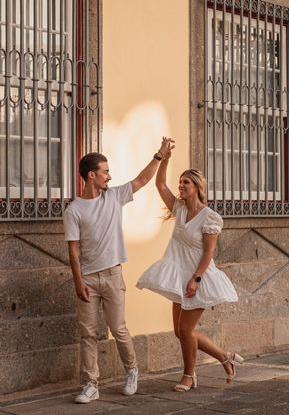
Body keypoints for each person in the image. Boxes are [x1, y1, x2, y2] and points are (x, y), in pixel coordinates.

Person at [64, 138, 173, 404]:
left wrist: (159, 155)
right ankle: (91, 384)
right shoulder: (74, 209)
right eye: (105, 171)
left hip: (113, 275)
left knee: (118, 328)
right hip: (88, 278)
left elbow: (141, 180)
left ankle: (131, 370)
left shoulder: (113, 196)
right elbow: (74, 250)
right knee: (87, 333)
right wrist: (78, 281)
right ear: (92, 175)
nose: (109, 176)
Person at [136, 143, 241, 392]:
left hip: (199, 277)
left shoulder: (210, 217)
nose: (181, 186)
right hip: (177, 274)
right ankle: (225, 356)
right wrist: (165, 158)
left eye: (186, 183)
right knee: (180, 331)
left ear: (197, 188)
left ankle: (189, 375)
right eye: (180, 182)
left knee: (185, 330)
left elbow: (209, 252)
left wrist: (196, 279)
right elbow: (160, 185)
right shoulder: (179, 208)